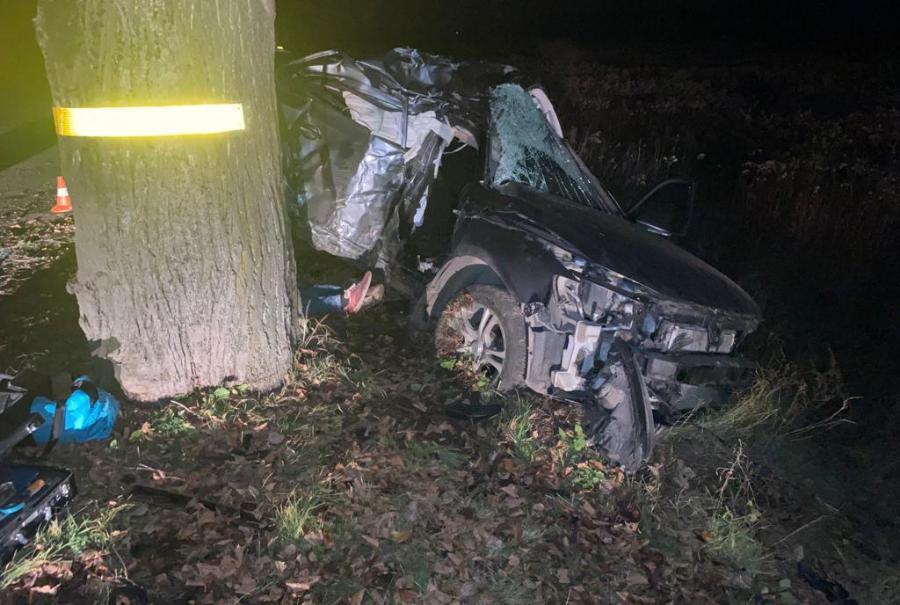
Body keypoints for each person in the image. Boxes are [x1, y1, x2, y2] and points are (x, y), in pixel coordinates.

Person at [299, 271, 382, 316]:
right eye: (373, 287)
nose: (372, 288)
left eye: (374, 289)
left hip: (340, 301)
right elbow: (356, 286)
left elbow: (352, 308)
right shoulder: (363, 287)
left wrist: (346, 298)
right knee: (318, 288)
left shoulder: (364, 301)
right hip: (341, 292)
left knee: (320, 303)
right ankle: (301, 293)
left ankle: (300, 306)